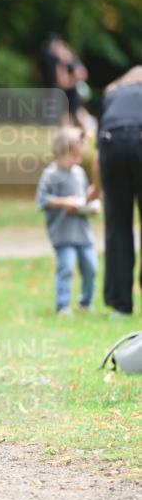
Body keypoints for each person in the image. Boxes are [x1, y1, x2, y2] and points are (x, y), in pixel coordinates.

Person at [35, 126, 100, 315]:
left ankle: (85, 302)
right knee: (67, 268)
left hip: (83, 233)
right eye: (74, 156)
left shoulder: (79, 173)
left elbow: (86, 196)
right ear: (61, 152)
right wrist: (64, 203)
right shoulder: (50, 174)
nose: (77, 161)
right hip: (63, 233)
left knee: (91, 267)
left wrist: (91, 206)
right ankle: (62, 305)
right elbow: (42, 200)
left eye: (80, 157)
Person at [97, 66, 142, 317]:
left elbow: (97, 155)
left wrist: (96, 188)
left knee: (117, 225)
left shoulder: (113, 93)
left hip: (111, 144)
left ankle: (120, 304)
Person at [38, 32, 96, 136]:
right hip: (67, 90)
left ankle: (86, 132)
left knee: (74, 114)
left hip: (73, 90)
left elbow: (81, 73)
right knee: (71, 114)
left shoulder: (71, 60)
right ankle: (80, 132)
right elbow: (63, 81)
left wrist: (74, 77)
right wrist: (74, 77)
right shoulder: (56, 61)